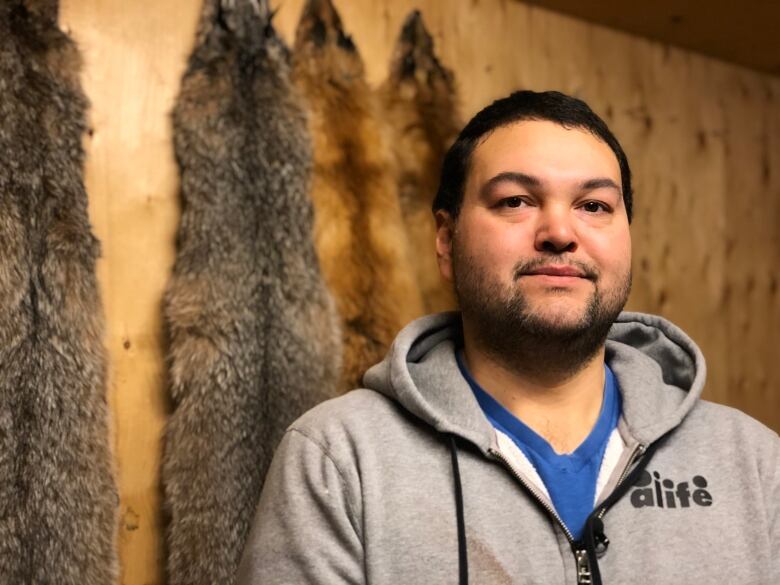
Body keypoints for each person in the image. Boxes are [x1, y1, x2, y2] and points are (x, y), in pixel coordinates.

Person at [237, 90, 779, 585]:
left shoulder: (755, 464)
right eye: (516, 201)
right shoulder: (339, 459)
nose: (560, 234)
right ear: (447, 241)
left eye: (594, 206)